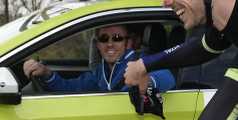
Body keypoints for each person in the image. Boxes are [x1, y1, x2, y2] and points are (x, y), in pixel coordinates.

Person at [23, 24, 175, 92]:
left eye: (117, 38)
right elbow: (70, 88)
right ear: (98, 44)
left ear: (128, 42)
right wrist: (46, 73)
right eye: (103, 38)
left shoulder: (141, 60)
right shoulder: (100, 73)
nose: (110, 44)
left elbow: (168, 76)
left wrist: (147, 80)